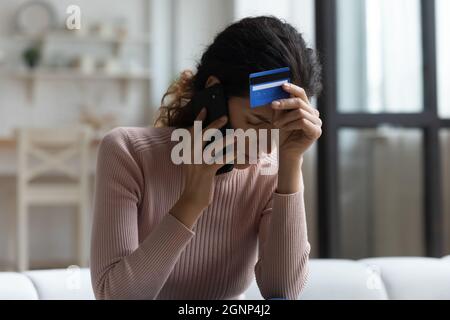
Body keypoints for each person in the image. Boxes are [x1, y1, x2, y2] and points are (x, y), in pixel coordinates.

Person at [90, 16, 323, 300]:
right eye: (256, 121)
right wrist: (191, 202)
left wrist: (291, 164)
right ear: (215, 93)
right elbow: (115, 296)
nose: (266, 146)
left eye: (280, 129)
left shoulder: (271, 169)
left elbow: (283, 292)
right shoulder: (128, 153)